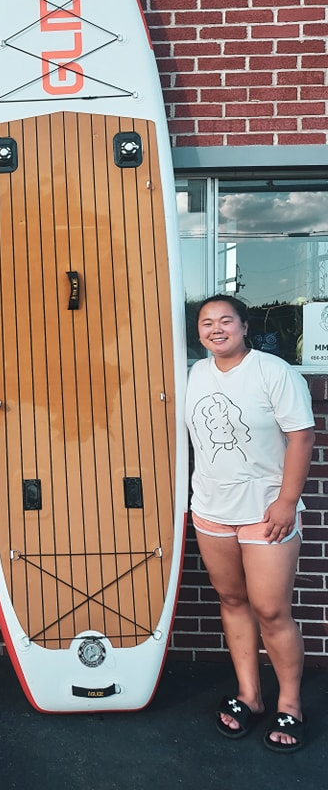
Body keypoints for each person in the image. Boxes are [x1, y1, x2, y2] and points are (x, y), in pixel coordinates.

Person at [186, 294, 315, 754]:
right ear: (198, 331)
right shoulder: (194, 375)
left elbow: (302, 436)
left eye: (226, 321)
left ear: (244, 326)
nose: (216, 329)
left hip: (266, 514)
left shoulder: (273, 372)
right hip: (211, 511)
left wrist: (287, 501)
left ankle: (291, 704)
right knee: (233, 600)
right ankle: (250, 695)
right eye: (206, 322)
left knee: (272, 610)